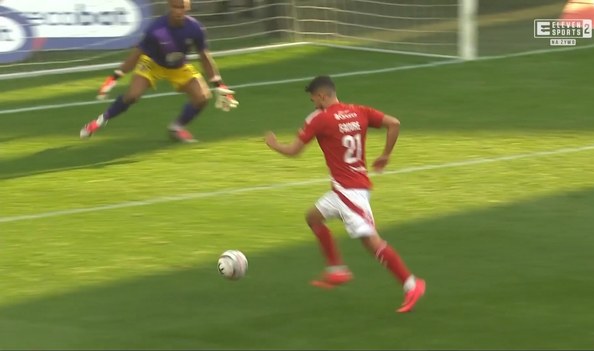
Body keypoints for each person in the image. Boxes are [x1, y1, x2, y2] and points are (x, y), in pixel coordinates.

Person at [264, 75, 426, 313]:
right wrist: (386, 154)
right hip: (343, 190)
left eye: (313, 100)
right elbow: (394, 123)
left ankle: (412, 284)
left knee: (371, 241)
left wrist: (274, 144)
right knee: (313, 218)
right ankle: (336, 270)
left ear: (321, 95)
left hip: (351, 194)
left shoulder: (320, 119)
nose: (314, 105)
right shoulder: (359, 111)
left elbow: (294, 151)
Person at [80, 0, 238, 143]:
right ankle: (98, 122)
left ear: (187, 7)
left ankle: (176, 128)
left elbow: (204, 56)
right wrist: (114, 77)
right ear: (169, 6)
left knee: (202, 97)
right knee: (132, 95)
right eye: (175, 7)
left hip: (178, 66)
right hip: (152, 64)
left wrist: (218, 83)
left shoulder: (195, 28)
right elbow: (136, 54)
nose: (178, 11)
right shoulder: (157, 29)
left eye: (182, 7)